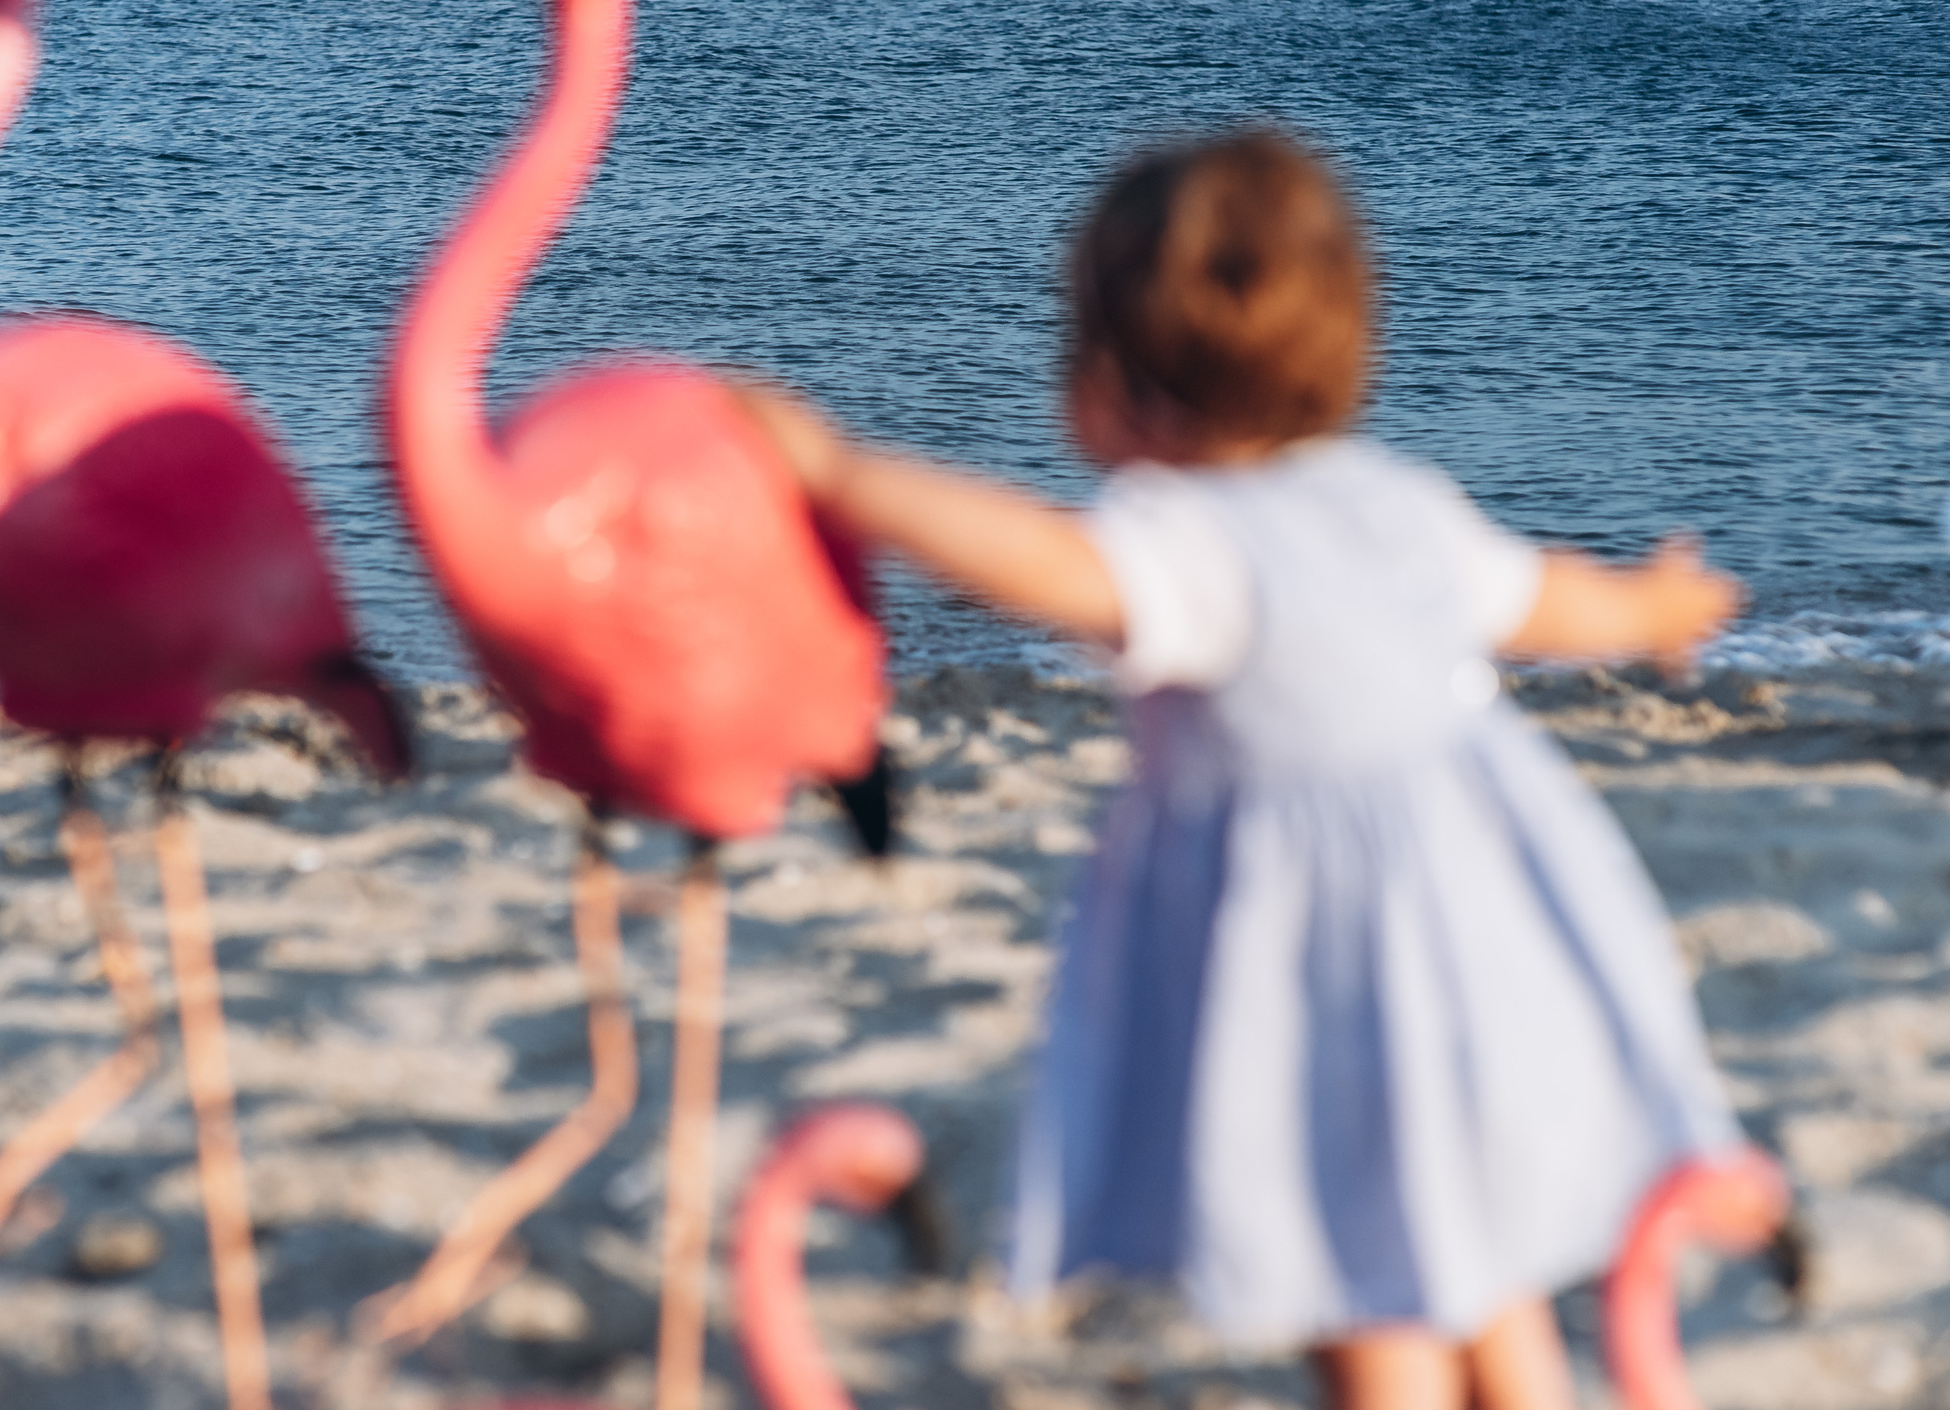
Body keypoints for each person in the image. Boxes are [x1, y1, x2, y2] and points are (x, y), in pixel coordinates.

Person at [735, 128, 1743, 1410]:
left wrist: (834, 468)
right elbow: (1550, 601)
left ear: (1122, 386)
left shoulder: (1191, 539)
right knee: (1470, 1268)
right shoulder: (1395, 502)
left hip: (1333, 958)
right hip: (1485, 944)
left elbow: (1044, 563)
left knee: (1362, 1274)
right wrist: (1660, 606)